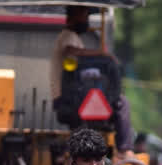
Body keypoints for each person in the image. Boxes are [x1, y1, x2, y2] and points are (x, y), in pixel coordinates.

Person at [50, 6, 133, 156]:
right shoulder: (68, 36)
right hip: (69, 99)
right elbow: (71, 51)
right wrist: (102, 54)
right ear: (72, 16)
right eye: (84, 15)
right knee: (121, 103)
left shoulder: (71, 37)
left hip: (73, 97)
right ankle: (125, 150)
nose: (87, 19)